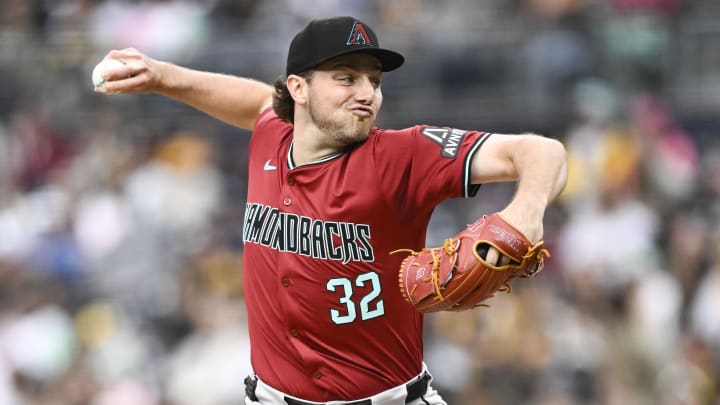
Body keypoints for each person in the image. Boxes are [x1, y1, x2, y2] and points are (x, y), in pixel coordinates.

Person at [94, 16, 568, 405]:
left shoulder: (402, 155)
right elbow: (258, 101)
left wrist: (525, 212)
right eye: (346, 78)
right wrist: (161, 76)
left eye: (374, 81)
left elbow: (543, 152)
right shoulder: (272, 135)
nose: (367, 93)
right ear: (299, 89)